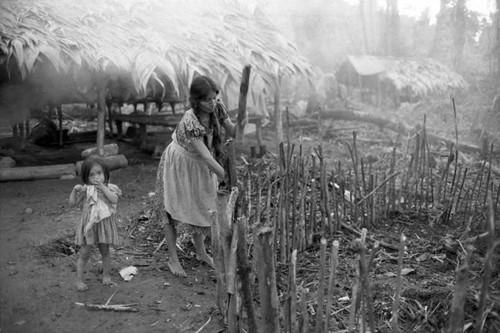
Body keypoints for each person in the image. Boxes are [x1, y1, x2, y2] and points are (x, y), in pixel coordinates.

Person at [153, 75, 237, 277]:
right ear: (196, 101)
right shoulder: (189, 121)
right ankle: (173, 259)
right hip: (179, 164)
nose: (212, 103)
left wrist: (242, 121)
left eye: (214, 98)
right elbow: (208, 157)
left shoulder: (217, 107)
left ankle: (201, 252)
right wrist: (229, 177)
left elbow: (233, 132)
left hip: (198, 164)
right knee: (171, 209)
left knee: (203, 206)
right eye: (207, 100)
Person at [69, 157, 122, 291]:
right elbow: (72, 203)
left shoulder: (110, 188)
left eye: (99, 173)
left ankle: (106, 275)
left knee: (105, 251)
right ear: (86, 178)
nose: (96, 177)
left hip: (103, 226)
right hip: (89, 227)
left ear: (105, 173)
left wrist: (103, 187)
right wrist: (74, 191)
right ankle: (79, 280)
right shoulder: (86, 190)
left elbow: (114, 199)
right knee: (84, 253)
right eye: (91, 175)